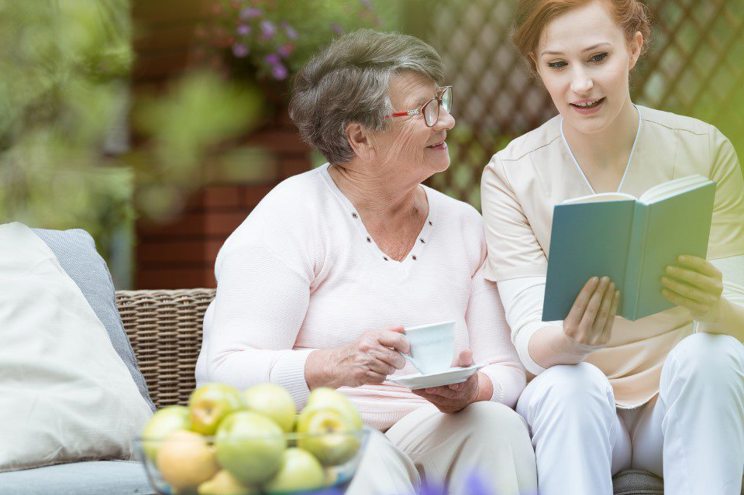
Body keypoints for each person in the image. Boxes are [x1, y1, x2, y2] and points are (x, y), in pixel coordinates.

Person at [196, 29, 537, 495]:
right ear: (360, 137)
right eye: (425, 109)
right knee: (363, 455)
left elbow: (505, 369)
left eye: (443, 101)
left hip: (426, 431)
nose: (448, 120)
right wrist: (334, 364)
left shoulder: (464, 226)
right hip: (315, 436)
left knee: (496, 426)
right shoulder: (290, 217)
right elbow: (225, 371)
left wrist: (471, 391)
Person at [480, 1, 744, 494]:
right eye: (557, 65)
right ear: (538, 68)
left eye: (598, 58)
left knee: (714, 355)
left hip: (676, 405)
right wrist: (574, 341)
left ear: (634, 47)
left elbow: (741, 323)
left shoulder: (703, 149)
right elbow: (530, 339)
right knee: (566, 384)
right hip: (582, 409)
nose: (580, 84)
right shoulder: (511, 174)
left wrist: (712, 307)